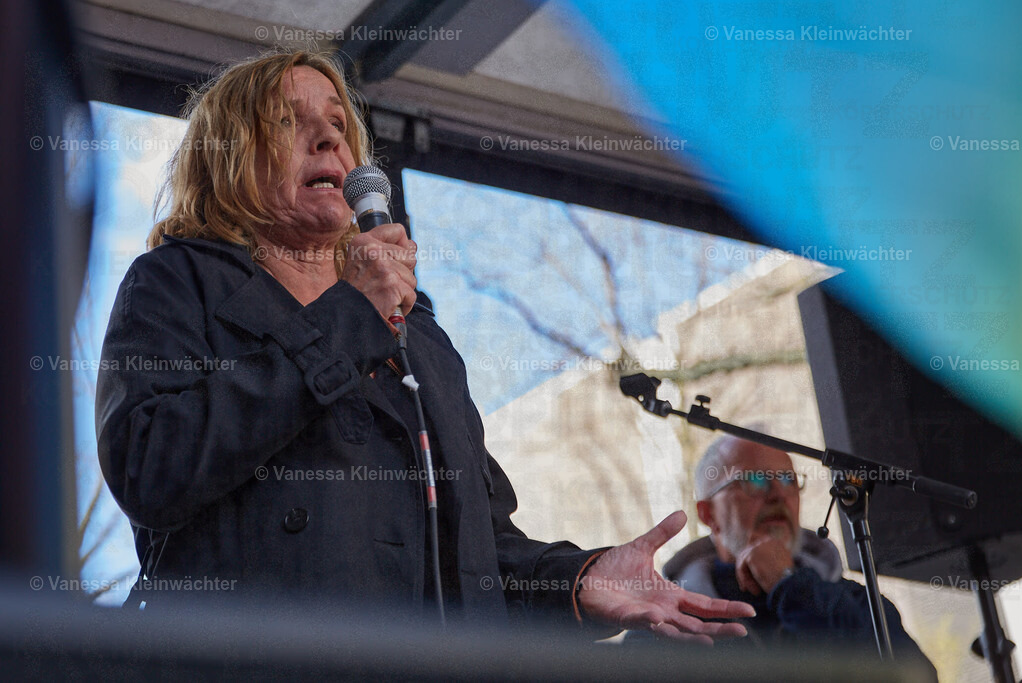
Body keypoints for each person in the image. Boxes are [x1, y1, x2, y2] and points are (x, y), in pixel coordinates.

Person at [94, 49, 754, 641]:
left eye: (337, 123)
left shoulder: (419, 328)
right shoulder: (176, 281)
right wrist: (346, 315)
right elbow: (151, 465)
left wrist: (578, 582)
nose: (328, 135)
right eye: (290, 122)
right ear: (230, 152)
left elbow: (477, 546)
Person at [651, 433, 934, 673]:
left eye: (788, 480)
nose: (778, 495)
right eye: (756, 481)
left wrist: (791, 585)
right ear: (708, 513)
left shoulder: (860, 602)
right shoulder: (669, 625)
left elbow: (910, 676)